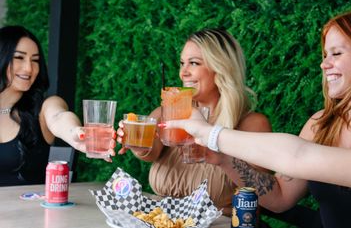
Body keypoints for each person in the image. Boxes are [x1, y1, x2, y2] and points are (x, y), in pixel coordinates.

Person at [164, 11, 351, 227]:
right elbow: (280, 197)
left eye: (336, 54)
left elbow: (297, 155)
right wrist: (224, 159)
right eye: (324, 55)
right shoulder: (321, 125)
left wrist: (210, 133)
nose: (324, 64)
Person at [118, 28, 272, 215]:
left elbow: (263, 195)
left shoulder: (252, 125)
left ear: (221, 67)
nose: (183, 73)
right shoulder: (167, 113)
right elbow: (150, 152)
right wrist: (137, 143)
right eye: (182, 63)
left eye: (194, 63)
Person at [0, 25, 115, 186]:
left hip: (30, 210)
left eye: (35, 60)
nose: (29, 68)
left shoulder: (45, 107)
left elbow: (59, 117)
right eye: (19, 58)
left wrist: (75, 133)